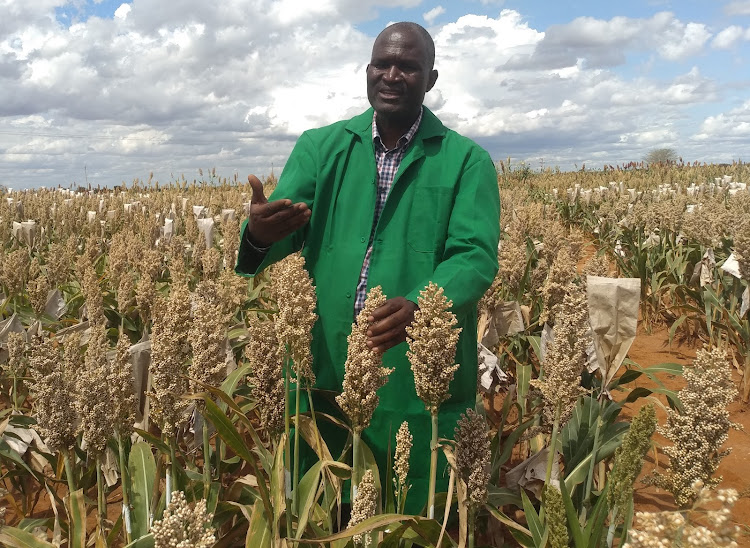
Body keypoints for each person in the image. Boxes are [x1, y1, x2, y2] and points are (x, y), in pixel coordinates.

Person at [236, 21, 500, 514]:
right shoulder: (321, 147)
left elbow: (475, 255)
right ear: (367, 71)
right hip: (324, 361)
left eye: (408, 66)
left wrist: (425, 305)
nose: (393, 75)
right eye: (383, 64)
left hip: (412, 365)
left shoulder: (466, 161)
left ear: (431, 78)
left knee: (407, 508)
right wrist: (259, 235)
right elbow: (284, 227)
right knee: (321, 506)